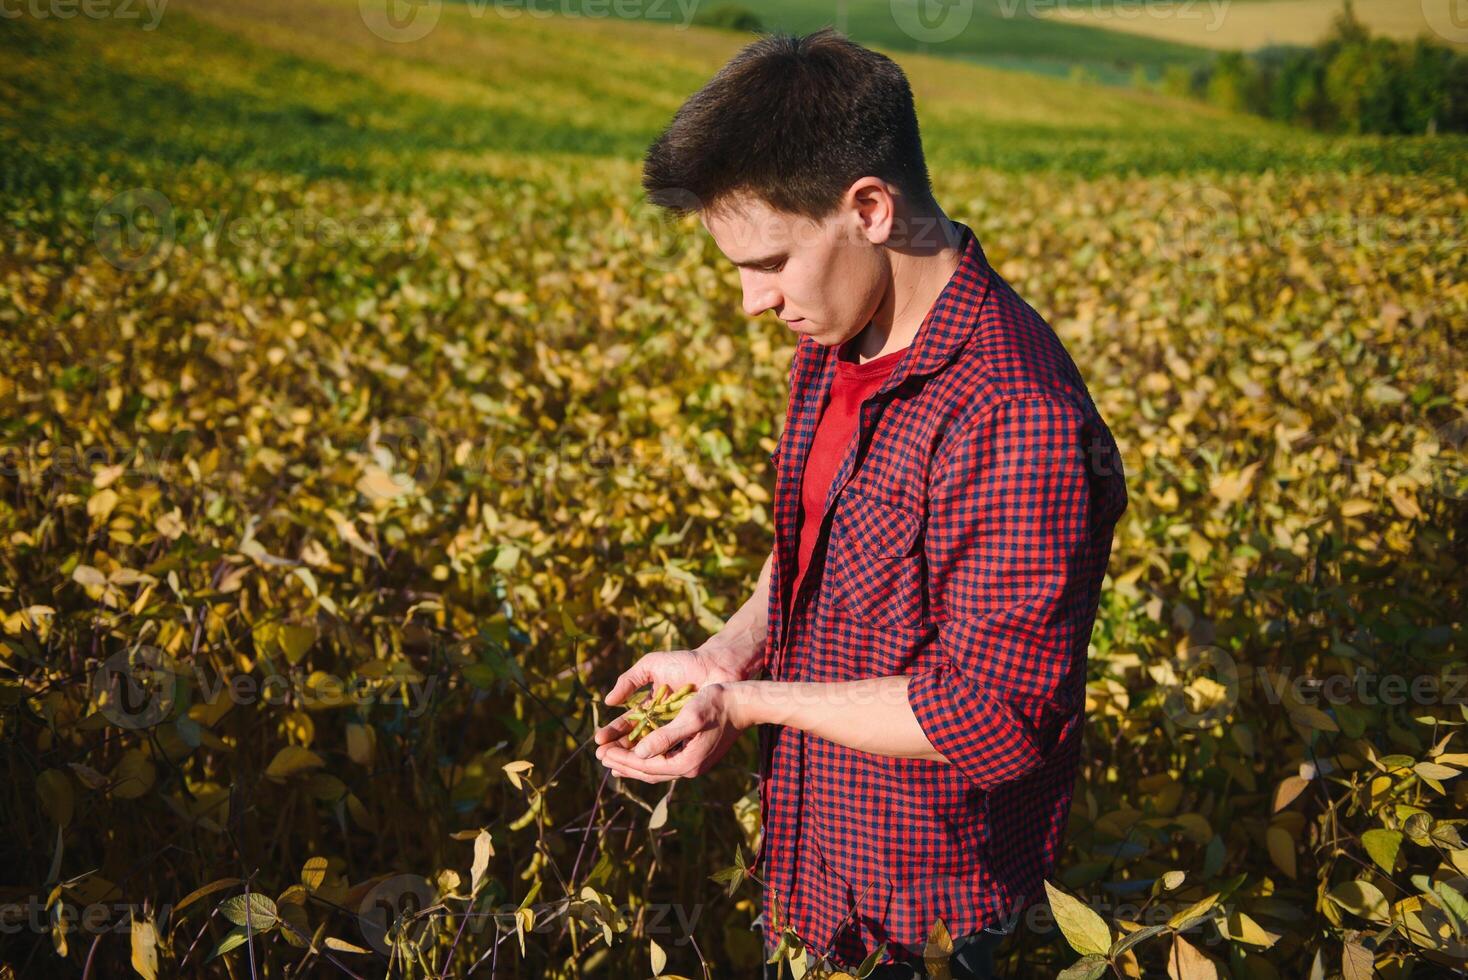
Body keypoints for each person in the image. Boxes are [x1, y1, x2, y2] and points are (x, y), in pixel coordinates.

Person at [594, 27, 1129, 977]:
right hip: (810, 864)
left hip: (926, 911)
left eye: (769, 263)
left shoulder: (1014, 415)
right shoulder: (839, 339)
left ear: (870, 209)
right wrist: (723, 654)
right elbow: (815, 550)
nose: (752, 304)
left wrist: (746, 703)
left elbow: (993, 715)